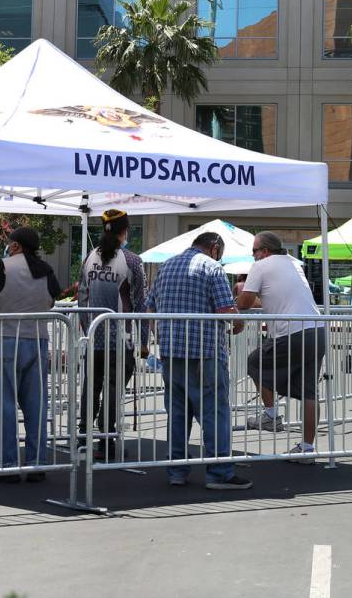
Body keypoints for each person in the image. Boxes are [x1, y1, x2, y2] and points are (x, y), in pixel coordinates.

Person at [147, 232, 252, 490]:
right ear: (214, 248)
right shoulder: (212, 268)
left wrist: (159, 335)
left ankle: (177, 471)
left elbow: (149, 307)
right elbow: (226, 311)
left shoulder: (167, 266)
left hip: (171, 352)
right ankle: (220, 473)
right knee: (214, 413)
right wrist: (239, 322)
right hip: (204, 352)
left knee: (178, 414)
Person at [0, 227, 62, 483]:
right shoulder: (45, 270)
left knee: (2, 405)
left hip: (5, 339)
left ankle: (8, 464)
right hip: (37, 341)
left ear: (15, 246)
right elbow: (52, 301)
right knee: (36, 405)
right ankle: (37, 463)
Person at [238, 231, 327, 462]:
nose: (253, 256)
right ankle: (307, 449)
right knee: (310, 391)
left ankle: (271, 415)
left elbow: (245, 303)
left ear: (264, 251)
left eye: (254, 251)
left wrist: (236, 294)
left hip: (292, 332)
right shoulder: (294, 263)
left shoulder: (261, 265)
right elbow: (274, 298)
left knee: (254, 362)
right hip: (316, 329)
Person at [77, 209, 149, 459]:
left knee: (90, 388)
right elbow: (140, 302)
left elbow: (81, 299)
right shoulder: (132, 261)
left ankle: (83, 438)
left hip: (94, 338)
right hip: (121, 340)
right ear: (124, 231)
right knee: (111, 391)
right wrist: (144, 341)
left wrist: (87, 330)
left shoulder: (89, 258)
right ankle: (105, 444)